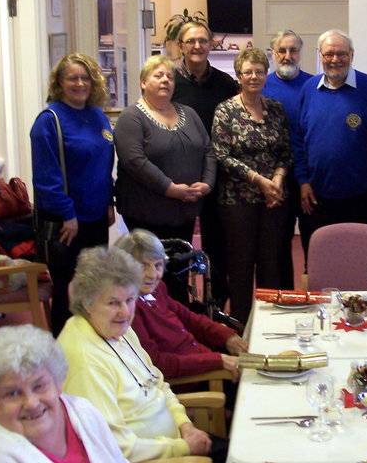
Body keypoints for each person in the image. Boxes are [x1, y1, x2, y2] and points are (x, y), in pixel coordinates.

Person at [57, 246, 223, 462]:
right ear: (87, 303)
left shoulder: (116, 328)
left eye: (130, 299)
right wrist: (182, 447)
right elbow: (115, 449)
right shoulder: (85, 360)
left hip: (176, 441)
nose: (125, 312)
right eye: (113, 302)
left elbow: (157, 383)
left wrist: (185, 425)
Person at [114, 55, 215, 303]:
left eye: (169, 77)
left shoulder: (188, 113)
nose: (165, 81)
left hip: (185, 210)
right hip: (147, 212)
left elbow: (208, 150)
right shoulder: (131, 117)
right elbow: (134, 161)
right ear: (142, 82)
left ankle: (177, 326)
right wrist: (170, 188)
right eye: (158, 76)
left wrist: (207, 183)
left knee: (178, 272)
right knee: (150, 276)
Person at [30, 53, 115, 336]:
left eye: (85, 78)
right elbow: (46, 178)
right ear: (59, 83)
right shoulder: (48, 121)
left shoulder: (97, 115)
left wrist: (109, 201)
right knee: (68, 292)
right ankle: (64, 355)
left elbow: (103, 165)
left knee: (95, 288)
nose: (80, 83)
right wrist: (67, 213)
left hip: (96, 218)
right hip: (67, 224)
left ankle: (92, 349)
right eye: (72, 78)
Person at [211, 48, 292, 324]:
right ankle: (241, 328)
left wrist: (277, 181)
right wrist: (260, 181)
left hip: (273, 202)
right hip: (237, 202)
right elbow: (221, 155)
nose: (254, 76)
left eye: (259, 71)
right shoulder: (225, 110)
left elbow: (285, 152)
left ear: (266, 75)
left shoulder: (276, 109)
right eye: (248, 72)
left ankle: (271, 325)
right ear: (239, 76)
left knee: (271, 266)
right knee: (241, 267)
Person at [0, 324, 126, 462]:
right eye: (12, 394)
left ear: (56, 383)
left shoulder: (83, 411)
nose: (32, 403)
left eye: (39, 386)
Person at [295, 29, 367, 259]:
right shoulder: (308, 89)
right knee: (320, 261)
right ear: (320, 55)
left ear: (352, 55)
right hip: (317, 197)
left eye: (341, 54)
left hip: (363, 197)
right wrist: (303, 181)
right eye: (329, 54)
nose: (335, 59)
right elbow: (298, 139)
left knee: (359, 261)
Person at [115, 229, 248, 379]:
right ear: (123, 267)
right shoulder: (128, 311)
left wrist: (227, 337)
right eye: (143, 266)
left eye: (158, 265)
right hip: (194, 379)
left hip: (204, 361)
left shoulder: (157, 290)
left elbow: (190, 318)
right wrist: (218, 361)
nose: (153, 274)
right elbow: (157, 365)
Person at [171, 21, 239, 310]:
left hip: (218, 178)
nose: (197, 46)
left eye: (202, 40)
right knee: (177, 247)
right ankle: (179, 308)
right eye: (190, 41)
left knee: (218, 247)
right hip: (179, 178)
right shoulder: (170, 82)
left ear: (211, 45)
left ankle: (215, 307)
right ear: (181, 46)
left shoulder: (226, 84)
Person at [263, 29, 314, 289]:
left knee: (313, 243)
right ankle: (284, 302)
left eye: (293, 50)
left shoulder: (314, 85)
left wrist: (305, 179)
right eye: (281, 50)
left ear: (300, 53)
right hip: (274, 181)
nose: (287, 55)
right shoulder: (262, 85)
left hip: (308, 180)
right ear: (273, 53)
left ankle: (315, 299)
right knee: (278, 247)